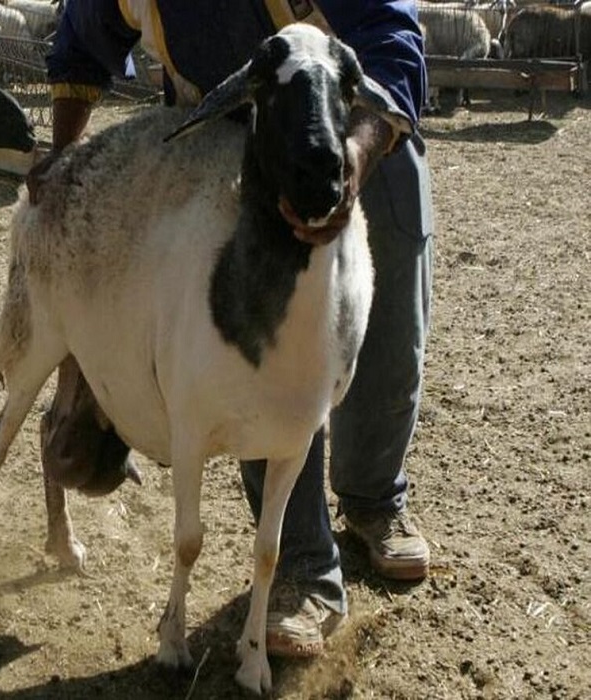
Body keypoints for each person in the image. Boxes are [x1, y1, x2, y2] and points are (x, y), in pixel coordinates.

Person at [29, 0, 433, 657]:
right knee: (248, 336)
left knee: (385, 320)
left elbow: (390, 37)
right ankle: (302, 568)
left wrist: (355, 159)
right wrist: (64, 156)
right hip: (235, 132)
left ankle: (374, 497)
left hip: (360, 124)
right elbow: (81, 46)